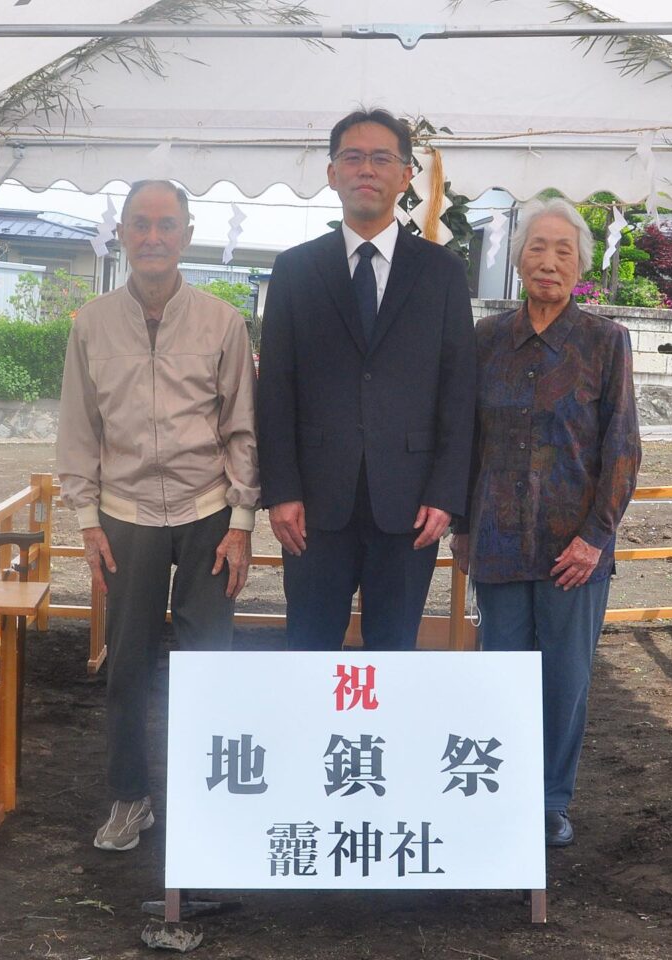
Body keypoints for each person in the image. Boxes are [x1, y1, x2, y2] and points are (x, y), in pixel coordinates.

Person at [57, 180, 259, 851]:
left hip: (207, 512)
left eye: (166, 225)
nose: (152, 238)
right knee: (128, 663)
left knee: (211, 662)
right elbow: (79, 430)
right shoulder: (91, 324)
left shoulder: (222, 322)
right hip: (127, 515)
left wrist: (241, 522)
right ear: (120, 232)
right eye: (139, 224)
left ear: (186, 235)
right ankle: (129, 798)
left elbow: (241, 429)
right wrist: (87, 518)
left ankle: (215, 797)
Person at [451, 198, 641, 847]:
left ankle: (550, 801)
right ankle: (496, 786)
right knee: (501, 669)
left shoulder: (604, 341)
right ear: (517, 258)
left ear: (581, 264)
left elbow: (622, 447)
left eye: (564, 249)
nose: (550, 260)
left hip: (574, 551)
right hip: (498, 541)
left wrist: (596, 537)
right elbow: (465, 440)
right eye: (538, 246)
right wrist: (461, 528)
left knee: (564, 678)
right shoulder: (486, 341)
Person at [257, 108, 476, 651]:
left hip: (410, 504)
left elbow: (458, 389)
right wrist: (281, 491)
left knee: (393, 649)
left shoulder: (441, 273)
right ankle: (314, 737)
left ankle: (380, 741)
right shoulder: (295, 270)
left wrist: (447, 494)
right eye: (352, 158)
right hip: (313, 503)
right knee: (309, 643)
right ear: (332, 173)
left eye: (382, 159)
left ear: (406, 176)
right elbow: (275, 389)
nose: (366, 170)